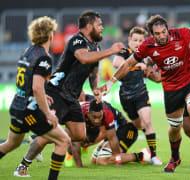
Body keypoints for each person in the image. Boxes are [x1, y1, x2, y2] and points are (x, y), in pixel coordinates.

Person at [102, 14, 190, 172]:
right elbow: (128, 64)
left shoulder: (181, 33)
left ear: (167, 29)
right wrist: (110, 82)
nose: (162, 36)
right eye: (157, 34)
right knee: (175, 127)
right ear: (151, 34)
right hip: (171, 87)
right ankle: (175, 158)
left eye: (164, 32)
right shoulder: (147, 46)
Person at [15, 10, 125, 174]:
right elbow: (83, 58)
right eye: (99, 24)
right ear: (89, 26)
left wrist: (95, 87)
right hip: (56, 92)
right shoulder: (76, 40)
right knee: (48, 134)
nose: (102, 28)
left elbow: (93, 69)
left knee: (79, 135)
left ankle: (41, 136)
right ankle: (22, 167)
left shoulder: (95, 45)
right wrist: (111, 51)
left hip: (72, 97)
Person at [0, 16, 71, 179]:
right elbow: (36, 87)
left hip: (17, 105)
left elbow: (28, 81)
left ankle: (22, 168)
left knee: (12, 143)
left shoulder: (27, 51)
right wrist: (48, 113)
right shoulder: (44, 58)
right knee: (63, 140)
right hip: (29, 111)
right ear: (50, 35)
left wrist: (43, 95)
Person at [112, 26, 162, 165]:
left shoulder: (146, 57)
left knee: (147, 122)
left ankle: (153, 156)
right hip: (126, 97)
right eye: (135, 40)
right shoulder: (124, 52)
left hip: (141, 94)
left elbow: (155, 78)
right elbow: (117, 63)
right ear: (129, 40)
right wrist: (137, 65)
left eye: (140, 40)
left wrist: (165, 73)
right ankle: (117, 145)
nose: (137, 43)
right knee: (138, 125)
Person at [67, 99, 147, 166]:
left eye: (99, 117)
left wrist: (118, 161)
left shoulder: (107, 113)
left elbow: (111, 137)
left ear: (103, 112)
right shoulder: (78, 112)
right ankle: (124, 158)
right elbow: (75, 141)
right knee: (94, 161)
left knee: (102, 160)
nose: (97, 120)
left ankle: (142, 155)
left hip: (126, 131)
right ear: (88, 113)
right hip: (112, 133)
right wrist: (80, 166)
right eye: (94, 117)